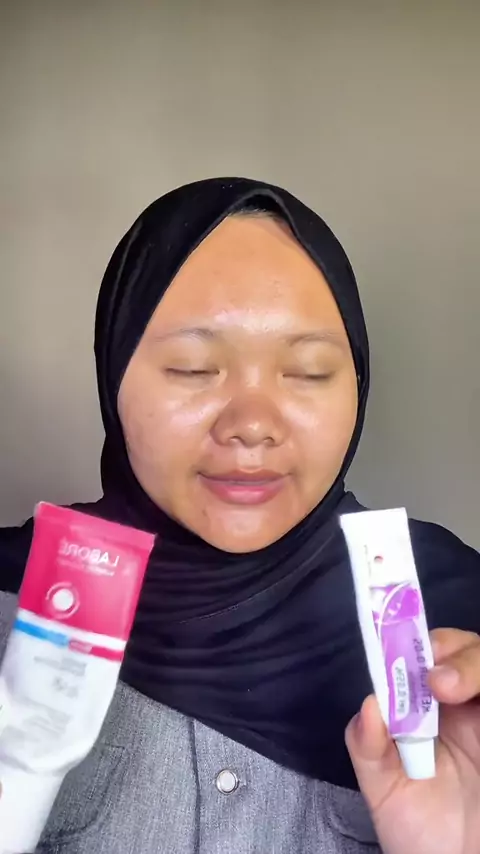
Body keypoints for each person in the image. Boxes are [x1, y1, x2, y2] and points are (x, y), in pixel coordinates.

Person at [0, 177, 479, 854]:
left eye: (308, 372)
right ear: (112, 374)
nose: (252, 425)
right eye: (194, 369)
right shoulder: (17, 605)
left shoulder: (453, 624)